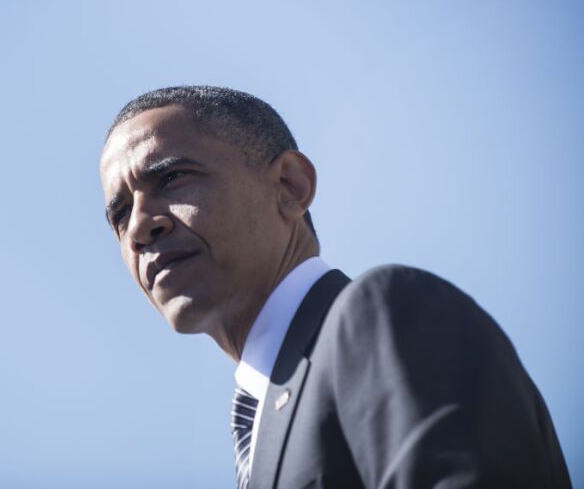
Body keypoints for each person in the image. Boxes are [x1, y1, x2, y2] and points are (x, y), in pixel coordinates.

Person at [99, 86, 571, 489]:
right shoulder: (262, 423)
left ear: (290, 185)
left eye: (172, 177)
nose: (140, 226)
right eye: (119, 214)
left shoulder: (385, 314)